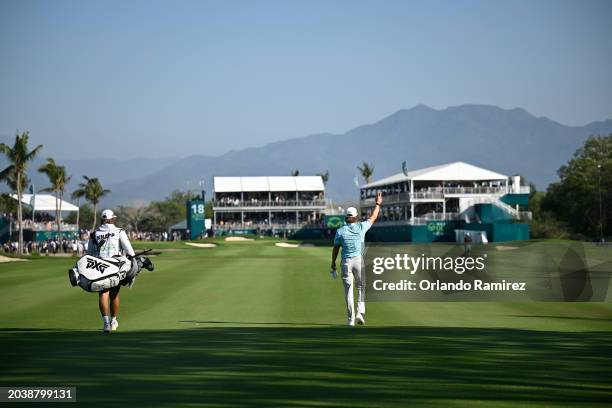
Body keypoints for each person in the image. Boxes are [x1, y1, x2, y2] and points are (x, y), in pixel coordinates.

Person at [331, 192, 383, 326]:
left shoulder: (340, 231)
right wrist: (377, 204)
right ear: (355, 217)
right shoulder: (361, 227)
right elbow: (373, 217)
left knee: (348, 291)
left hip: (346, 263)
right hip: (358, 261)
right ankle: (360, 313)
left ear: (346, 217)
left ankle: (350, 320)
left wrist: (333, 264)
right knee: (361, 287)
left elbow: (336, 248)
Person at [88, 209, 136, 333]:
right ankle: (114, 320)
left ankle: (106, 323)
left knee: (103, 293)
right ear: (112, 219)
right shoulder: (119, 231)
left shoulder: (94, 234)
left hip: (100, 267)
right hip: (115, 266)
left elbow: (90, 254)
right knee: (114, 294)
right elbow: (129, 251)